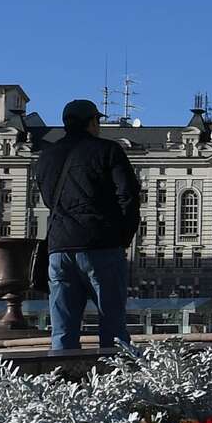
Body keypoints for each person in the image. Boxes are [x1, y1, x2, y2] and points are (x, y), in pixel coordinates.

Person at [32, 99, 140, 351]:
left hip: (59, 249)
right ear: (92, 122)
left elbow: (49, 199)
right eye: (97, 121)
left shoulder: (46, 156)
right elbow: (129, 196)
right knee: (112, 327)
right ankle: (116, 384)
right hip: (101, 247)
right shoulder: (108, 150)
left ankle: (62, 382)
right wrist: (122, 237)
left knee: (62, 331)